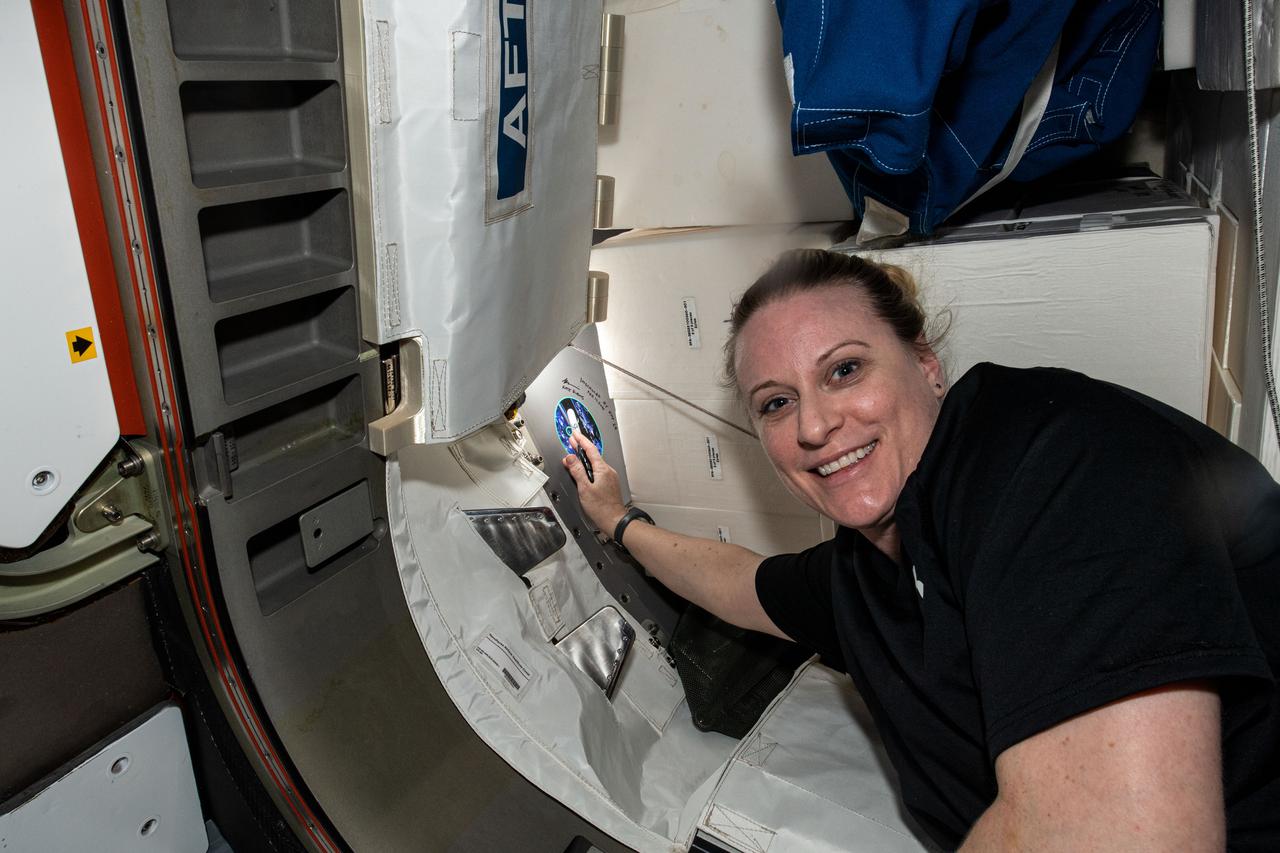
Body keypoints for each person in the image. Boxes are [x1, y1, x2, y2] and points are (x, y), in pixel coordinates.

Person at [562, 249, 1279, 852]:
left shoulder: (1055, 463)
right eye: (776, 403)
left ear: (927, 365)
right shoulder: (865, 568)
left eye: (844, 370)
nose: (814, 425)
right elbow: (740, 584)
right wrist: (619, 521)